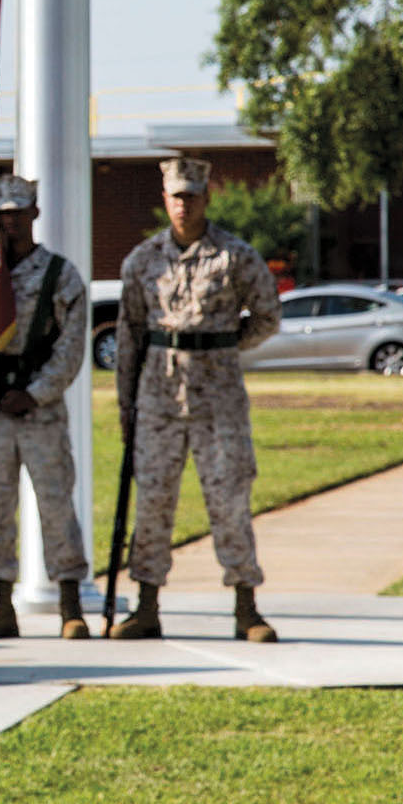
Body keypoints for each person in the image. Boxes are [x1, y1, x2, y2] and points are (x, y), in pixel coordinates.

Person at [112, 157, 282, 641]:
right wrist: (127, 404)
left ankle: (246, 606)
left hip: (219, 397)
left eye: (191, 196)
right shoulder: (142, 260)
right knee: (154, 502)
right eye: (175, 196)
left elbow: (268, 316)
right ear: (164, 200)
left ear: (206, 198)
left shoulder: (235, 255)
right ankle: (146, 605)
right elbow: (130, 336)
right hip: (159, 397)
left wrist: (224, 344)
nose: (183, 205)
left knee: (229, 497)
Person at [0, 174, 91, 641]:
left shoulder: (61, 275)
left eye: (19, 212)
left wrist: (35, 392)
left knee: (56, 503)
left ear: (35, 213)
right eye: (3, 214)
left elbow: (72, 347)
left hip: (40, 408)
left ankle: (71, 606)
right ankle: (1, 605)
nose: (11, 221)